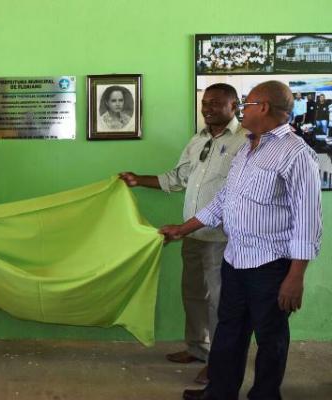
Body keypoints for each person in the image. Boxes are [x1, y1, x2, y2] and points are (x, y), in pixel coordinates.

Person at [159, 81, 322, 400]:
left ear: (263, 108)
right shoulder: (248, 147)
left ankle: (264, 395)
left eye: (247, 103)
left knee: (270, 338)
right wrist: (183, 229)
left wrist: (295, 276)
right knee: (229, 332)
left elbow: (307, 220)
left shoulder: (296, 154)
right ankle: (219, 392)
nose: (243, 109)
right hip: (235, 260)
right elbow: (224, 200)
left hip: (271, 267)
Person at [119, 83, 246, 385]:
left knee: (220, 301)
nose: (208, 108)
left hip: (223, 237)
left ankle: (220, 362)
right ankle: (197, 348)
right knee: (193, 294)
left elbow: (236, 193)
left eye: (216, 103)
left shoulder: (245, 141)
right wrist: (139, 180)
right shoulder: (198, 139)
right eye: (205, 102)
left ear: (234, 106)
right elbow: (177, 178)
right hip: (191, 234)